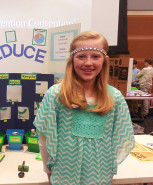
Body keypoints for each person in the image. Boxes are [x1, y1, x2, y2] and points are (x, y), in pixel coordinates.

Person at [33, 31, 135, 185]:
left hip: (100, 176)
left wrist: (109, 167)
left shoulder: (115, 98)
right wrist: (47, 170)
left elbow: (120, 138)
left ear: (105, 60)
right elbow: (44, 137)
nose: (88, 62)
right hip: (64, 175)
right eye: (81, 56)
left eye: (95, 56)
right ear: (72, 60)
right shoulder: (56, 95)